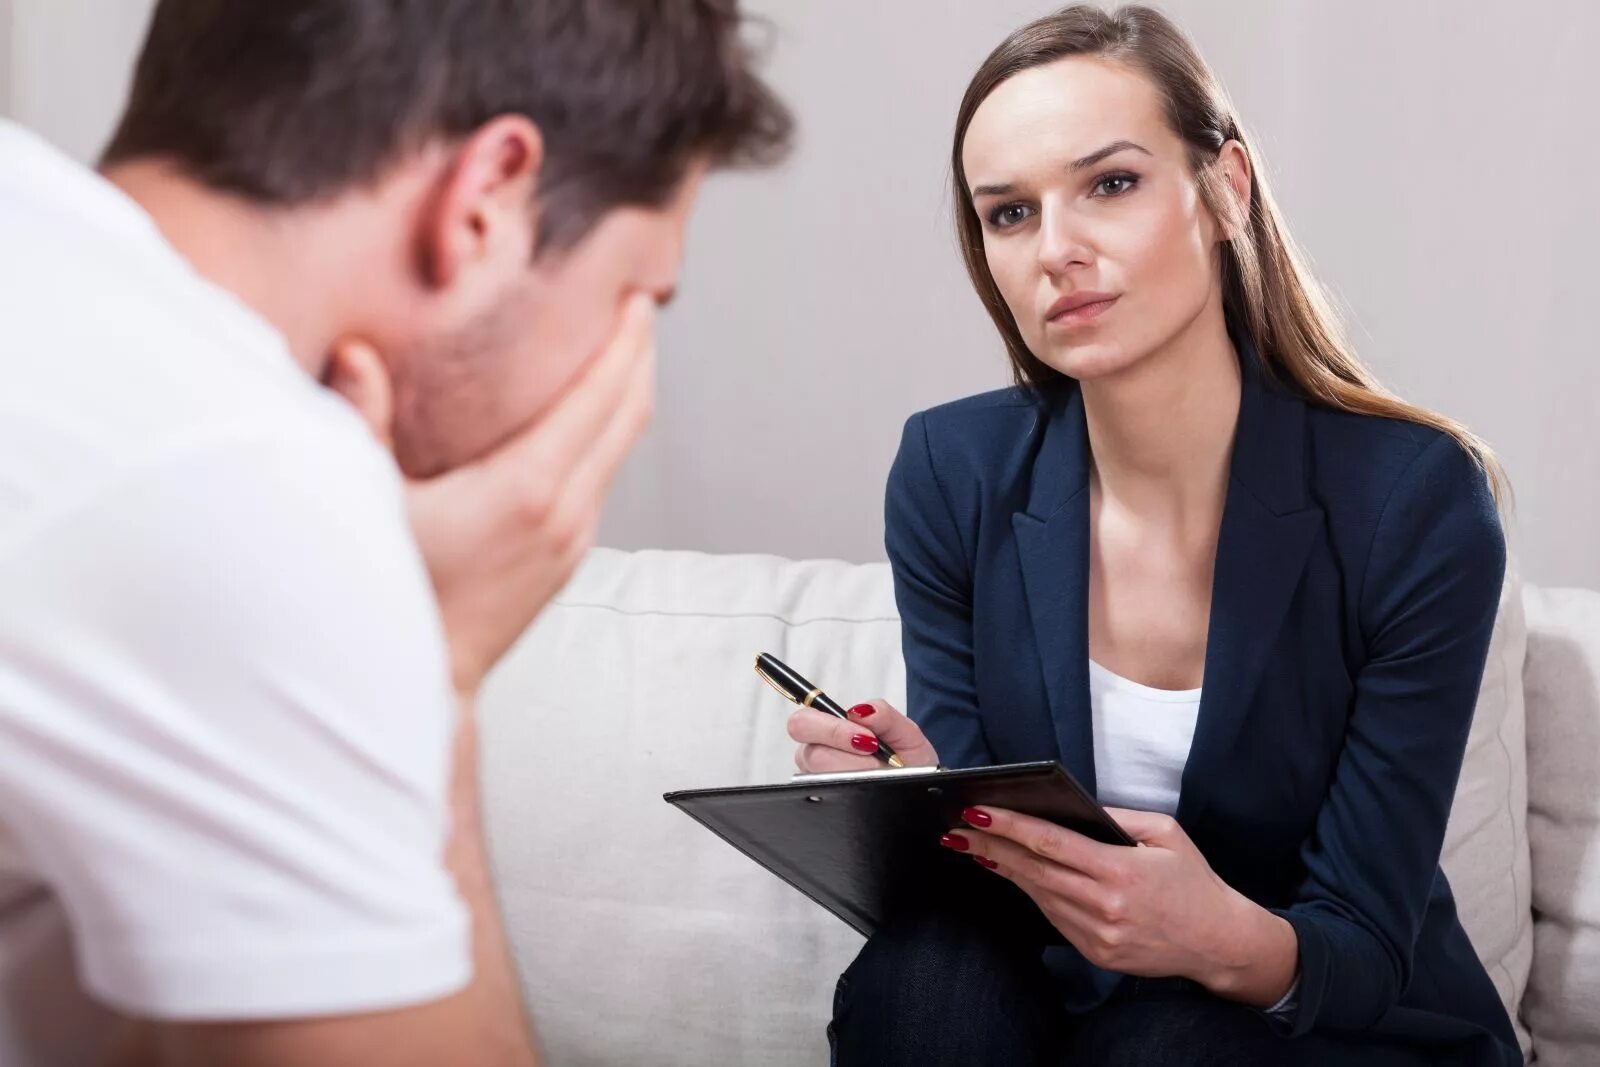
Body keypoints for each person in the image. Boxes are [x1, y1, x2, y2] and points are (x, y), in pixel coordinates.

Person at [0, 2, 790, 1065]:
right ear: (487, 199)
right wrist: (439, 670)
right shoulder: (245, 486)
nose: (623, 364)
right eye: (636, 292)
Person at [788, 5, 1519, 1065]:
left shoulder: (1413, 500)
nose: (1057, 249)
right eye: (1009, 213)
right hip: (1059, 1005)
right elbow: (991, 879)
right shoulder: (952, 472)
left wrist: (1214, 932)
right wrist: (931, 792)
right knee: (927, 977)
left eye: (1111, 184)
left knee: (1165, 1042)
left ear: (1225, 190)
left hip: (1316, 1016)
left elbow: (1364, 943)